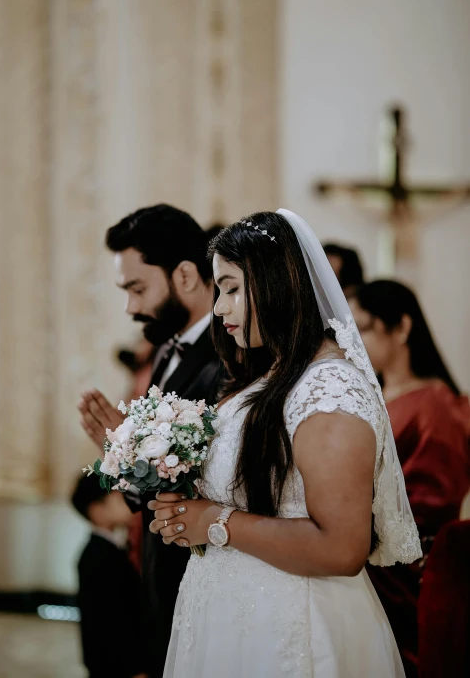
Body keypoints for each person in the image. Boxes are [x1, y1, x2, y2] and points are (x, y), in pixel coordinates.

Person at [149, 210, 421, 678]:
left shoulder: (330, 391)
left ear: (278, 284)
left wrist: (216, 522)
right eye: (219, 291)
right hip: (230, 616)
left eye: (232, 288)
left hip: (293, 626)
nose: (219, 308)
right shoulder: (272, 375)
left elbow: (341, 547)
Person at [78, 204, 221, 678]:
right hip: (164, 571)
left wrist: (127, 451)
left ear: (184, 274)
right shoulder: (167, 350)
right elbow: (161, 479)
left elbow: (213, 480)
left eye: (137, 288)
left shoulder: (229, 359)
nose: (131, 307)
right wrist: (121, 453)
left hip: (206, 573)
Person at [349, 279, 470, 677]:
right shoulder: (368, 394)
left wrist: (353, 529)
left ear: (401, 327)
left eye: (365, 327)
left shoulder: (434, 403)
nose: (356, 339)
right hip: (360, 553)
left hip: (400, 567)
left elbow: (434, 501)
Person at [71, 474, 146, 678]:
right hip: (114, 666)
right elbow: (109, 621)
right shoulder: (99, 556)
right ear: (97, 510)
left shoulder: (110, 549)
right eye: (120, 499)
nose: (129, 504)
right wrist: (134, 668)